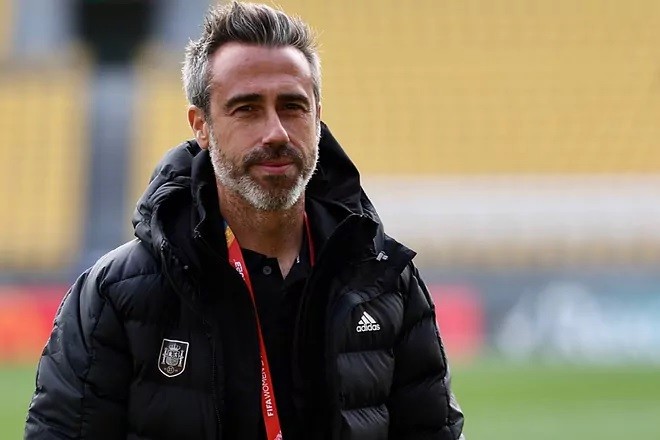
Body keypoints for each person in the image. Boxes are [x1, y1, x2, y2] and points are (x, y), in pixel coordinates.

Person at [25, 2, 465, 439]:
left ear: (317, 117)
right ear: (201, 126)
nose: (275, 132)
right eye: (247, 109)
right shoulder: (116, 294)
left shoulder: (386, 281)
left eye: (292, 106)